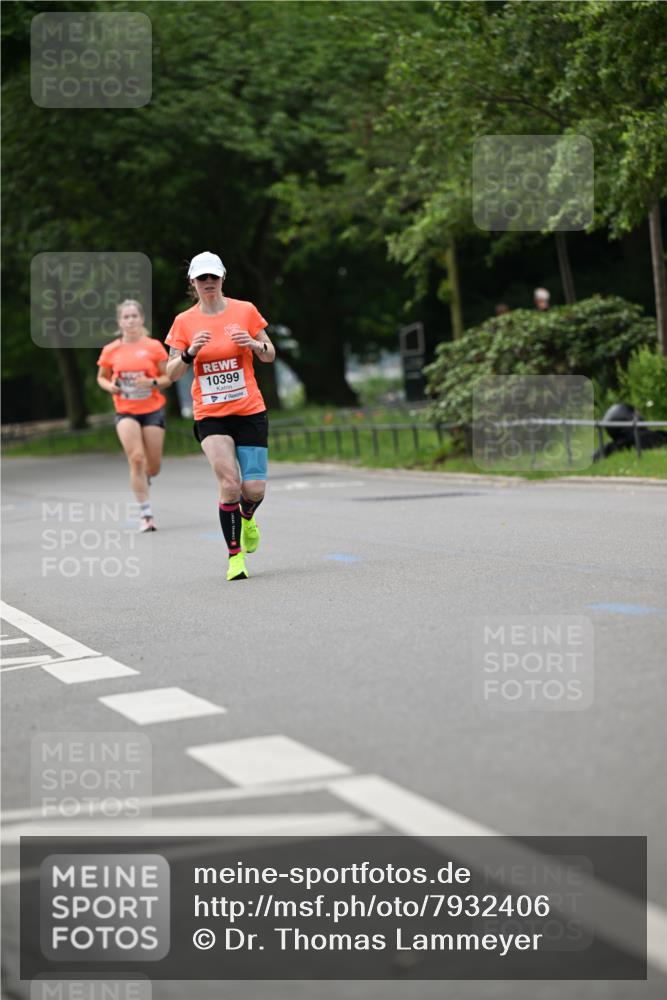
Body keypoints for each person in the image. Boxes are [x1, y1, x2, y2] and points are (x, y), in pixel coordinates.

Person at [165, 251, 276, 581]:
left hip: (249, 410)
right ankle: (235, 557)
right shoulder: (184, 322)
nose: (209, 282)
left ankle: (248, 517)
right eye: (202, 278)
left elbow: (270, 354)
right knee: (229, 483)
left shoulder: (245, 311)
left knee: (254, 489)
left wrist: (253, 343)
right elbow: (171, 372)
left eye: (213, 277)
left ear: (223, 278)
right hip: (211, 415)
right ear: (193, 282)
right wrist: (189, 353)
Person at [96, 299, 170, 532]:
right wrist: (110, 387)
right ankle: (146, 515)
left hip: (152, 410)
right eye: (125, 317)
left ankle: (145, 477)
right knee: (136, 459)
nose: (130, 320)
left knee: (153, 467)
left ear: (141, 319)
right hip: (125, 410)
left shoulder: (154, 346)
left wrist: (152, 382)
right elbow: (102, 377)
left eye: (134, 316)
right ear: (119, 322)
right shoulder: (111, 350)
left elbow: (168, 377)